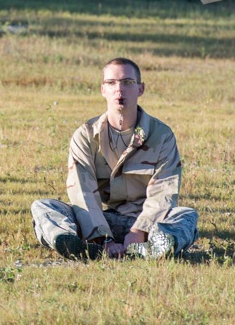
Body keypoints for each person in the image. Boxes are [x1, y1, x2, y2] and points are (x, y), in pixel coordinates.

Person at [31, 58, 199, 260]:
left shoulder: (161, 135)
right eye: (111, 83)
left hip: (146, 222)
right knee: (44, 207)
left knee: (185, 215)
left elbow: (164, 192)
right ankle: (78, 246)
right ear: (103, 90)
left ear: (140, 89)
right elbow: (82, 192)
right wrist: (102, 238)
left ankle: (153, 248)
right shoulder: (85, 135)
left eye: (127, 82)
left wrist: (139, 231)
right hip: (98, 220)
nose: (119, 89)